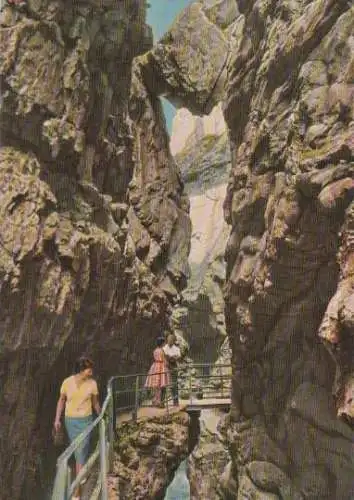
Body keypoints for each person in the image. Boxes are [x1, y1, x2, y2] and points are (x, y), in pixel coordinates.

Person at [54, 357, 101, 500]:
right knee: (78, 452)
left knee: (82, 450)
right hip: (71, 422)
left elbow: (95, 403)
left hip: (86, 421)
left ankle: (76, 492)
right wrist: (57, 419)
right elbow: (61, 400)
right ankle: (80, 478)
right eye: (89, 369)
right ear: (82, 369)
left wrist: (101, 417)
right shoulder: (67, 383)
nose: (91, 372)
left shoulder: (92, 384)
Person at [145, 337, 170, 407]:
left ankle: (155, 400)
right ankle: (159, 402)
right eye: (164, 343)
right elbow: (164, 360)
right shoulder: (162, 351)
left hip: (155, 366)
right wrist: (167, 364)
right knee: (161, 384)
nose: (165, 344)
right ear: (162, 343)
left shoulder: (155, 350)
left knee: (156, 385)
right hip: (161, 366)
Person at [163, 333, 181, 406]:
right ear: (167, 340)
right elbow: (164, 356)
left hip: (174, 366)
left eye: (172, 340)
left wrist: (173, 358)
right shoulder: (164, 348)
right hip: (166, 366)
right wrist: (169, 358)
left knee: (174, 384)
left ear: (174, 341)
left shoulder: (176, 348)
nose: (170, 341)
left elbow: (178, 356)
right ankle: (162, 402)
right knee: (163, 384)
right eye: (169, 339)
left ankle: (175, 401)